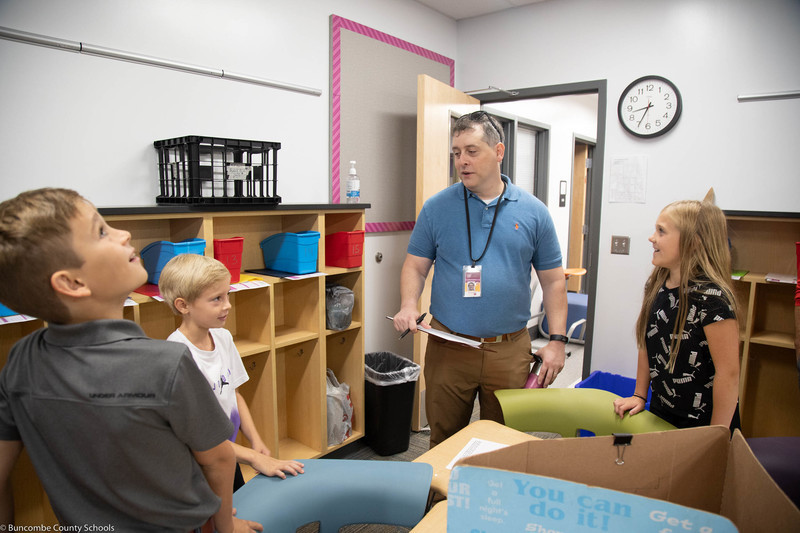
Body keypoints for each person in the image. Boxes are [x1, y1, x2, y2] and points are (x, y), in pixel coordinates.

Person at [0, 188, 261, 532]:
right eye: (102, 231)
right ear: (72, 282)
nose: (124, 234)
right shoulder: (166, 363)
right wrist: (227, 527)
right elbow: (220, 459)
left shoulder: (20, 359)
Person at [393, 111, 568, 447]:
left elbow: (553, 281)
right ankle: (438, 500)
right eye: (456, 153)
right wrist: (407, 305)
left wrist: (558, 340)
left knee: (501, 443)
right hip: (449, 346)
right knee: (444, 439)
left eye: (472, 151)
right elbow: (415, 266)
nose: (462, 161)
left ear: (498, 151)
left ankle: (493, 500)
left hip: (509, 350)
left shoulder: (533, 212)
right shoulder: (437, 207)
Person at [158, 253, 304, 489]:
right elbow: (197, 435)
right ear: (183, 305)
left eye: (227, 295)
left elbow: (234, 395)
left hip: (227, 454)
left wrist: (256, 442)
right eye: (216, 299)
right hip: (196, 467)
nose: (227, 305)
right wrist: (255, 458)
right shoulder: (176, 355)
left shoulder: (223, 337)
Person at [613, 200, 740, 430]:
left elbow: (728, 374)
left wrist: (716, 434)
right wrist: (640, 395)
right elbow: (647, 342)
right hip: (663, 411)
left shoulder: (712, 299)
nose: (652, 237)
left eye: (661, 231)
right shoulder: (657, 283)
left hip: (703, 422)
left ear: (693, 243)